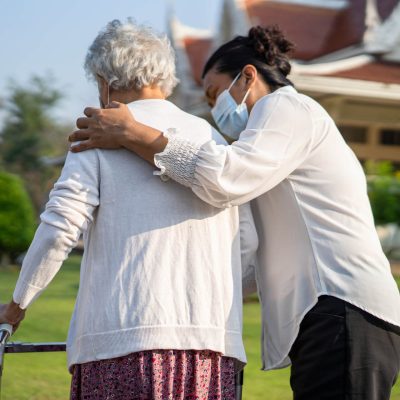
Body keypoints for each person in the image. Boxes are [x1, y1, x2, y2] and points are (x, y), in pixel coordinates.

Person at [69, 25, 400, 400]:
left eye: (214, 94)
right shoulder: (263, 146)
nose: (213, 110)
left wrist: (135, 133)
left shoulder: (287, 108)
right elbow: (247, 250)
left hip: (344, 306)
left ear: (247, 76)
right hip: (327, 315)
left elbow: (225, 177)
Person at [0, 20, 259, 400]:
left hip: (123, 343)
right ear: (164, 76)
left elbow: (60, 228)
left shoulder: (98, 134)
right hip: (212, 352)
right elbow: (248, 241)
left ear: (104, 81)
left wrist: (17, 306)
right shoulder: (213, 140)